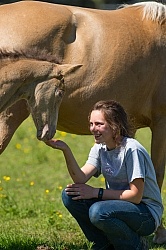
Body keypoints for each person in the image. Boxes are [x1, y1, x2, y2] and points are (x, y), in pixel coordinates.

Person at [46, 100, 163, 250]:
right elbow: (80, 178)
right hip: (121, 205)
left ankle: (136, 245)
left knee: (98, 212)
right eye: (91, 124)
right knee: (70, 196)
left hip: (146, 214)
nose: (93, 129)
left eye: (99, 124)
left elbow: (135, 196)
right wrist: (66, 150)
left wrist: (96, 192)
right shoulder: (99, 147)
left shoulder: (132, 149)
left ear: (115, 126)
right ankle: (104, 244)